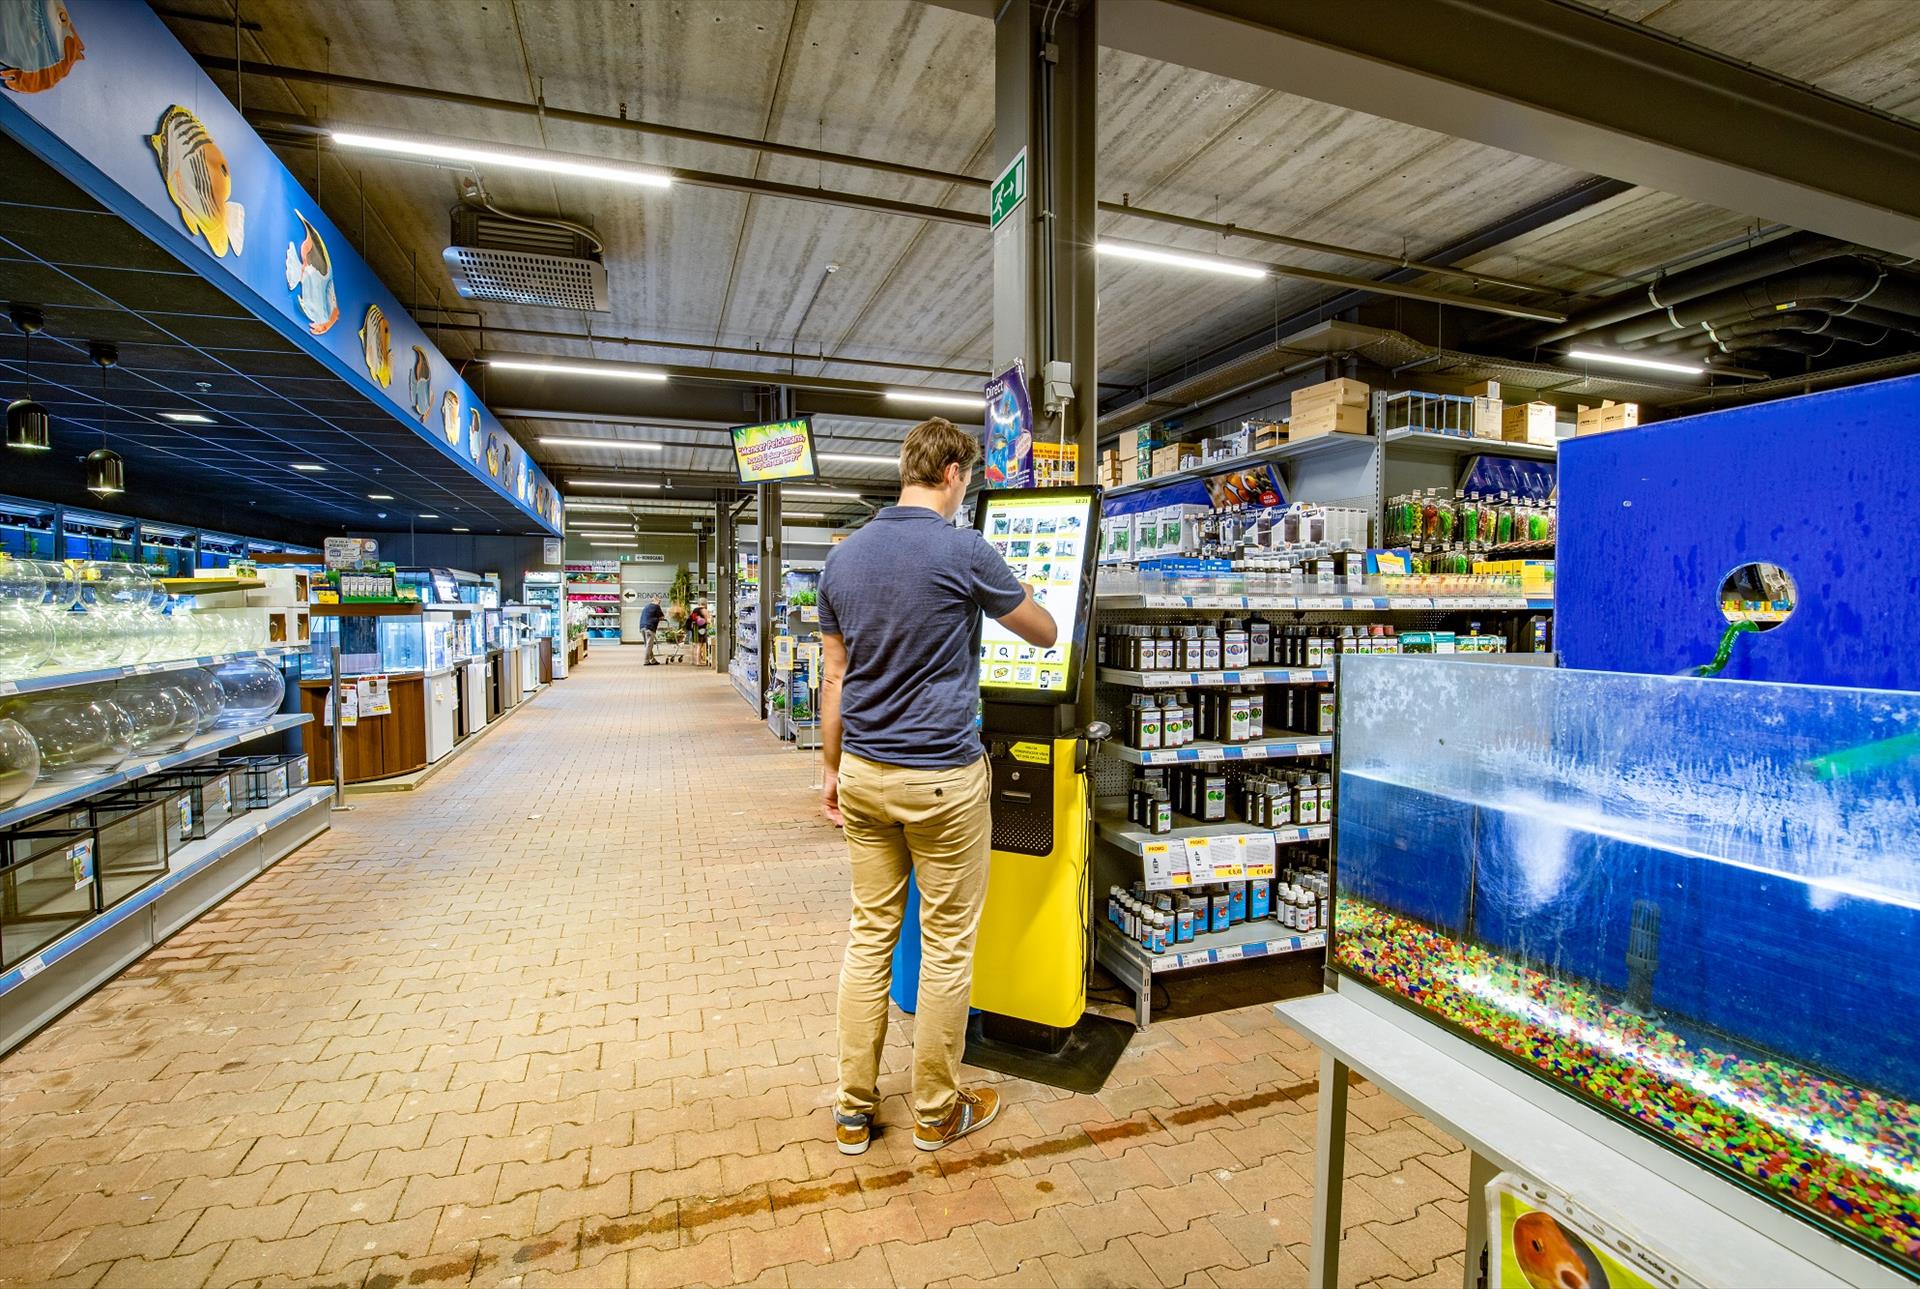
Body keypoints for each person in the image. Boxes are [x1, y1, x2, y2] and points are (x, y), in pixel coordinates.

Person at [817, 417, 1057, 1156]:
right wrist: (1021, 591)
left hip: (863, 774)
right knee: (948, 945)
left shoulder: (843, 558)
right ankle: (933, 1109)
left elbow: (834, 677)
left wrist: (830, 770)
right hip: (943, 783)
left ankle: (853, 1110)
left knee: (869, 940)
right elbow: (1043, 631)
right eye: (967, 479)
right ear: (952, 473)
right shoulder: (963, 549)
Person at [638, 595, 664, 664]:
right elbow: (662, 617)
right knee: (649, 645)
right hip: (650, 627)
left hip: (642, 627)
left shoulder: (646, 607)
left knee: (647, 645)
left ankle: (652, 660)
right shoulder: (656, 606)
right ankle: (646, 660)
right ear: (655, 600)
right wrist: (659, 618)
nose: (659, 603)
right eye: (659, 601)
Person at [688, 602, 710, 667]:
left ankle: (693, 660)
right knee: (699, 646)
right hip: (702, 630)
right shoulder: (704, 610)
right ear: (705, 604)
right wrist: (707, 621)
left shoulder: (694, 610)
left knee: (694, 645)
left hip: (694, 629)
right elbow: (708, 620)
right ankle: (698, 661)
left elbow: (692, 619)